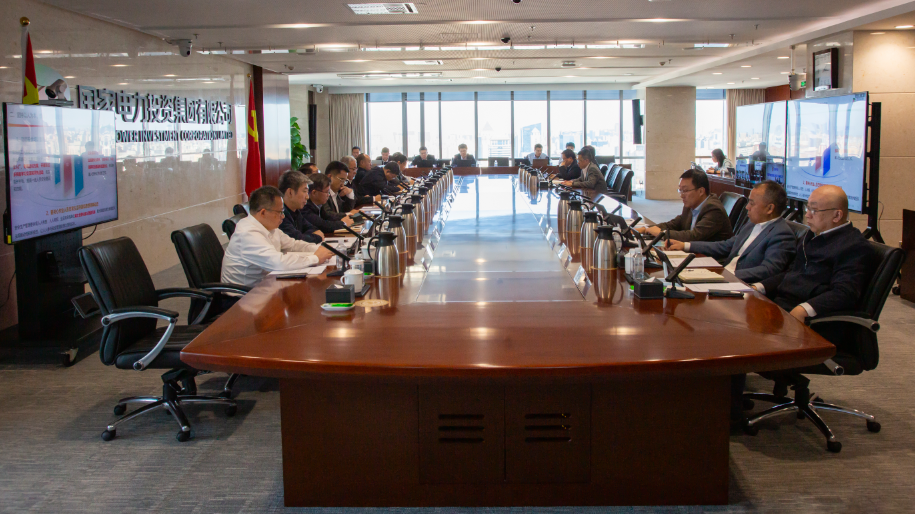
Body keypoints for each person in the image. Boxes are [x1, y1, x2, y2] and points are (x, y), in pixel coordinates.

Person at [753, 185, 874, 323]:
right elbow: (791, 273)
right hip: (781, 304)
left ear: (837, 215)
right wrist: (759, 287)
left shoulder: (854, 247)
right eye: (807, 208)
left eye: (814, 210)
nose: (807, 215)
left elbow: (844, 293)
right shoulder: (811, 236)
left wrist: (803, 309)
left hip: (809, 318)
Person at [666, 181, 796, 283]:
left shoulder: (782, 234)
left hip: (741, 283)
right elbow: (726, 246)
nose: (747, 207)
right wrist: (685, 245)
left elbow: (768, 270)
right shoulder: (752, 224)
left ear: (770, 208)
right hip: (724, 275)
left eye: (752, 203)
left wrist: (726, 274)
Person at [221, 186, 333, 287]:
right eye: (280, 212)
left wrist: (322, 249)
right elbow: (278, 263)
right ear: (263, 213)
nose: (283, 216)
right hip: (242, 296)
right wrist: (315, 258)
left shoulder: (268, 226)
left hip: (264, 286)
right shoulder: (248, 233)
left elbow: (293, 245)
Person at [638, 169, 733, 242]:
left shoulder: (713, 209)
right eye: (680, 190)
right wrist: (646, 229)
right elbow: (673, 225)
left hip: (711, 258)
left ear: (701, 191)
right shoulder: (691, 205)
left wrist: (661, 233)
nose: (681, 195)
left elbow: (694, 236)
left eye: (685, 190)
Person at [277, 170, 324, 244]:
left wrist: (305, 235)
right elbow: (297, 240)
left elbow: (313, 228)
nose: (307, 197)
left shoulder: (296, 212)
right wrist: (317, 237)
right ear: (290, 192)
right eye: (305, 191)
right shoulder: (279, 214)